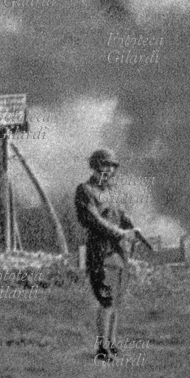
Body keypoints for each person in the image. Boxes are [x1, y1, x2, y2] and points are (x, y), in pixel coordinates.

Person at [75, 149, 137, 362]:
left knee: (117, 299)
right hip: (100, 251)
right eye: (104, 165)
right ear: (95, 166)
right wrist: (119, 232)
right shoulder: (85, 190)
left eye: (112, 167)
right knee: (107, 299)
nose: (109, 170)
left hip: (119, 251)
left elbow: (121, 215)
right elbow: (93, 220)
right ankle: (102, 348)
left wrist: (131, 226)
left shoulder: (113, 191)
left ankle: (111, 343)